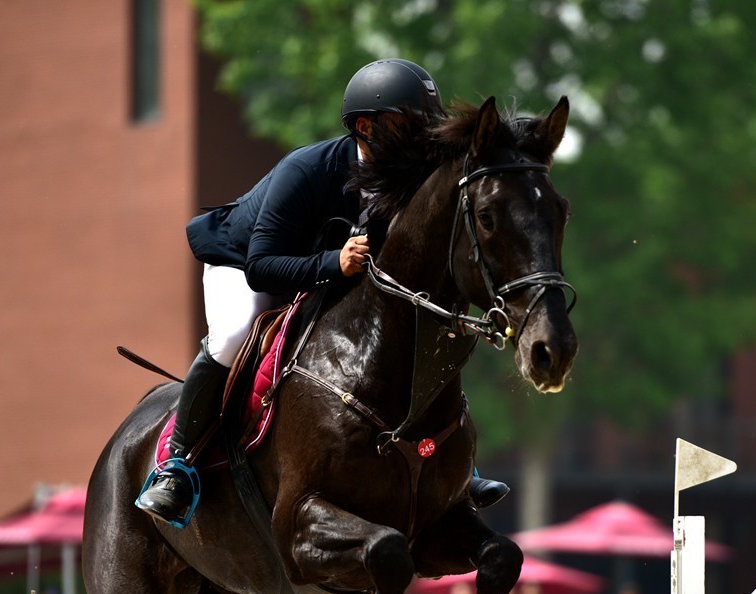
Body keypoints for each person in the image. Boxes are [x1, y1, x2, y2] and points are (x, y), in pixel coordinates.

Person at [135, 58, 510, 527]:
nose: (421, 138)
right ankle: (179, 462)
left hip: (329, 270)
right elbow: (262, 267)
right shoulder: (307, 170)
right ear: (365, 126)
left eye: (426, 125)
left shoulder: (412, 175)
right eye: (408, 124)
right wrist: (334, 263)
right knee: (234, 334)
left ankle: (450, 460)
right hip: (245, 261)